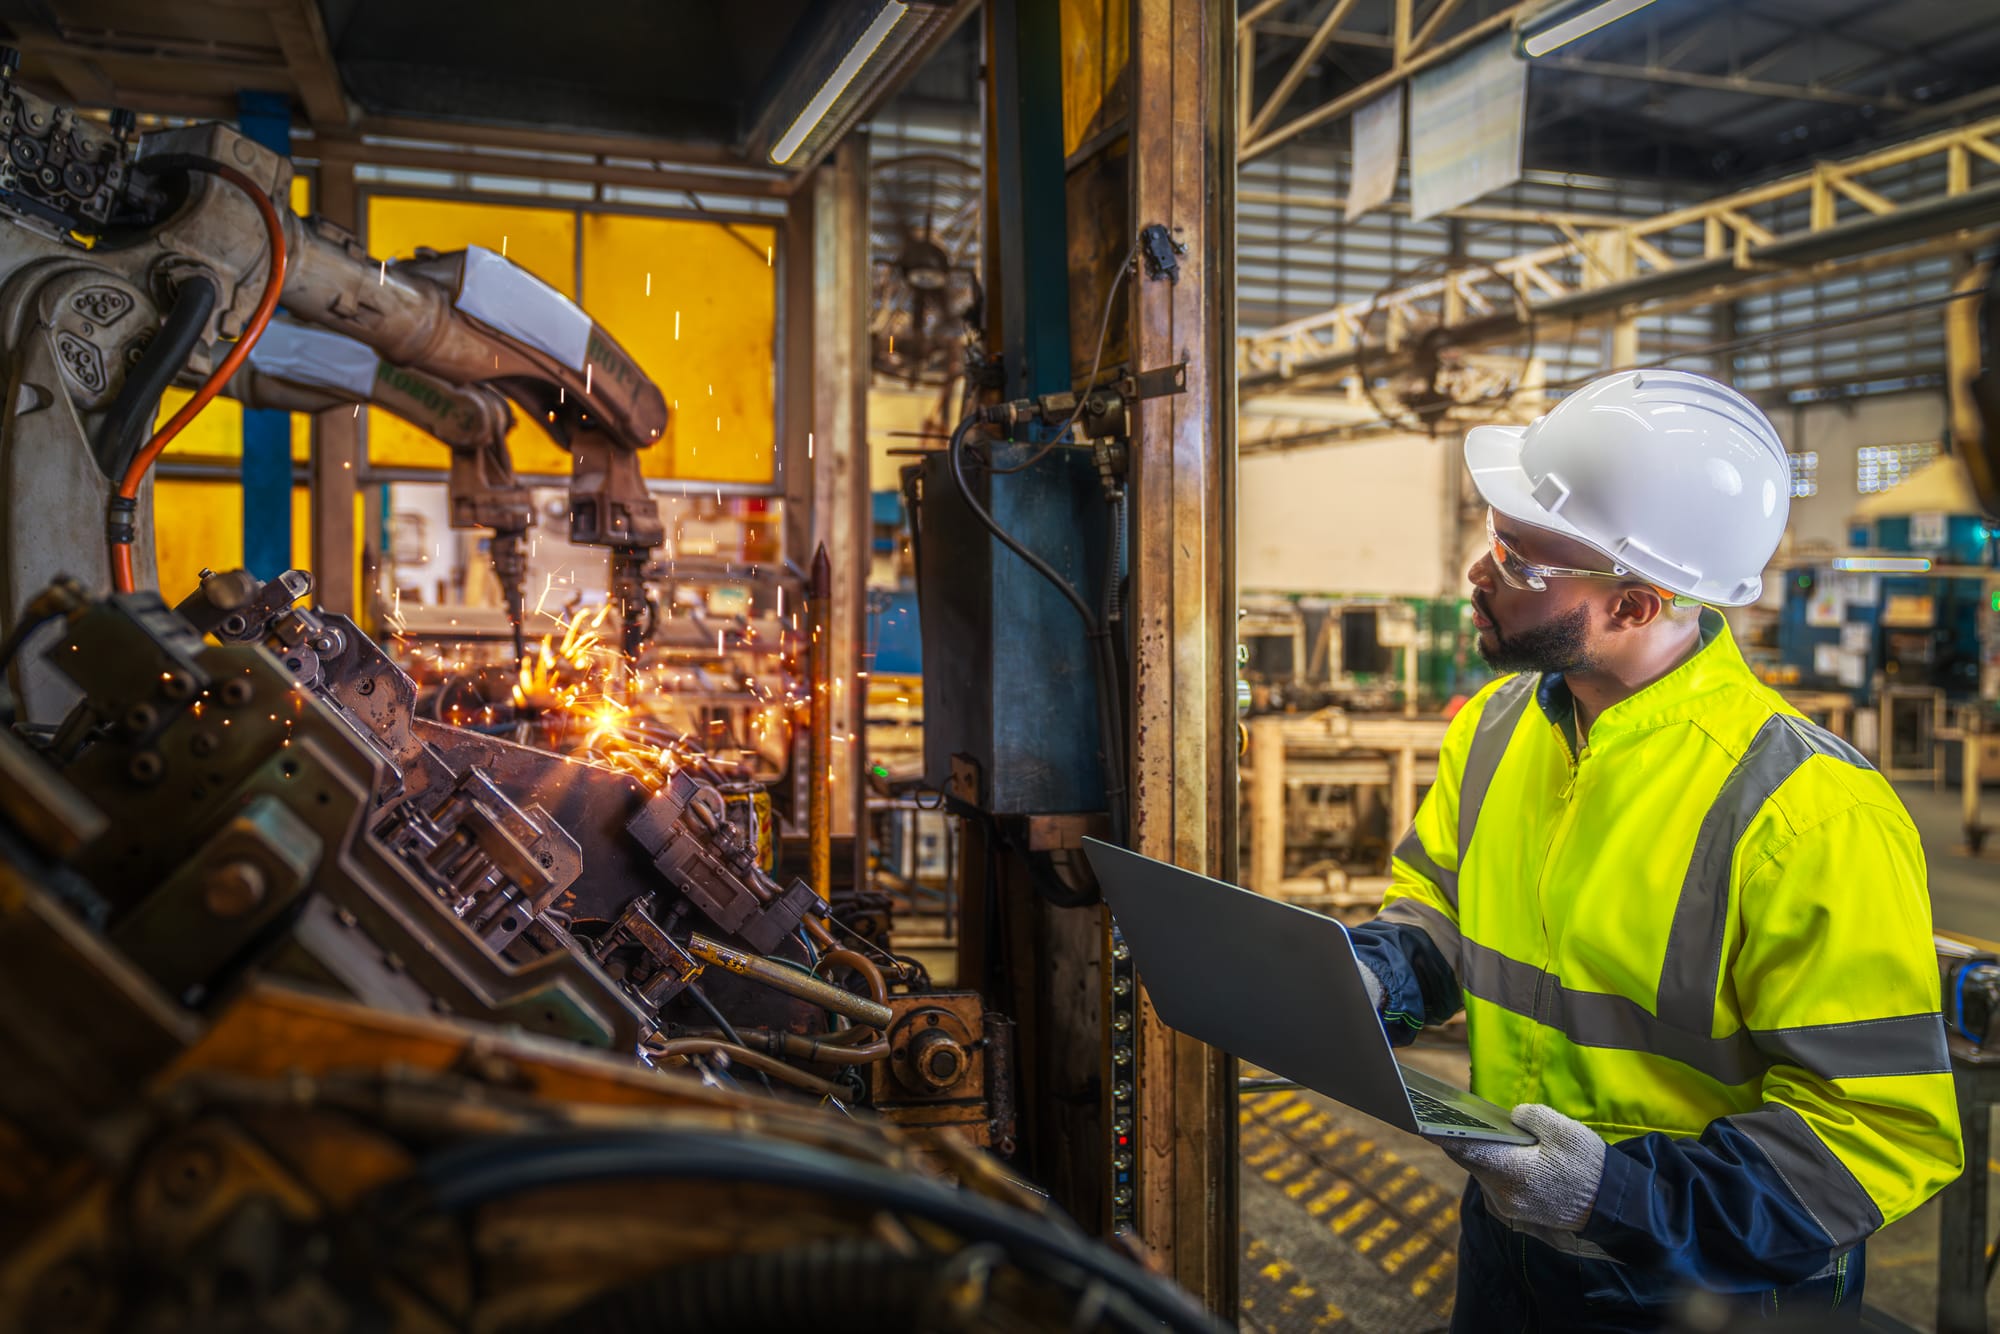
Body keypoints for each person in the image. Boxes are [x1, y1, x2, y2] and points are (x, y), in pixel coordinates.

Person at [1348, 369, 1963, 1331]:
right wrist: (1373, 974)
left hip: (1706, 1287)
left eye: (1519, 560)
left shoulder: (1807, 811)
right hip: (1513, 1240)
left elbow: (1882, 1135)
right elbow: (1440, 914)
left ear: (1635, 606)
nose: (1479, 571)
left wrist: (1614, 1196)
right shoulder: (1500, 728)